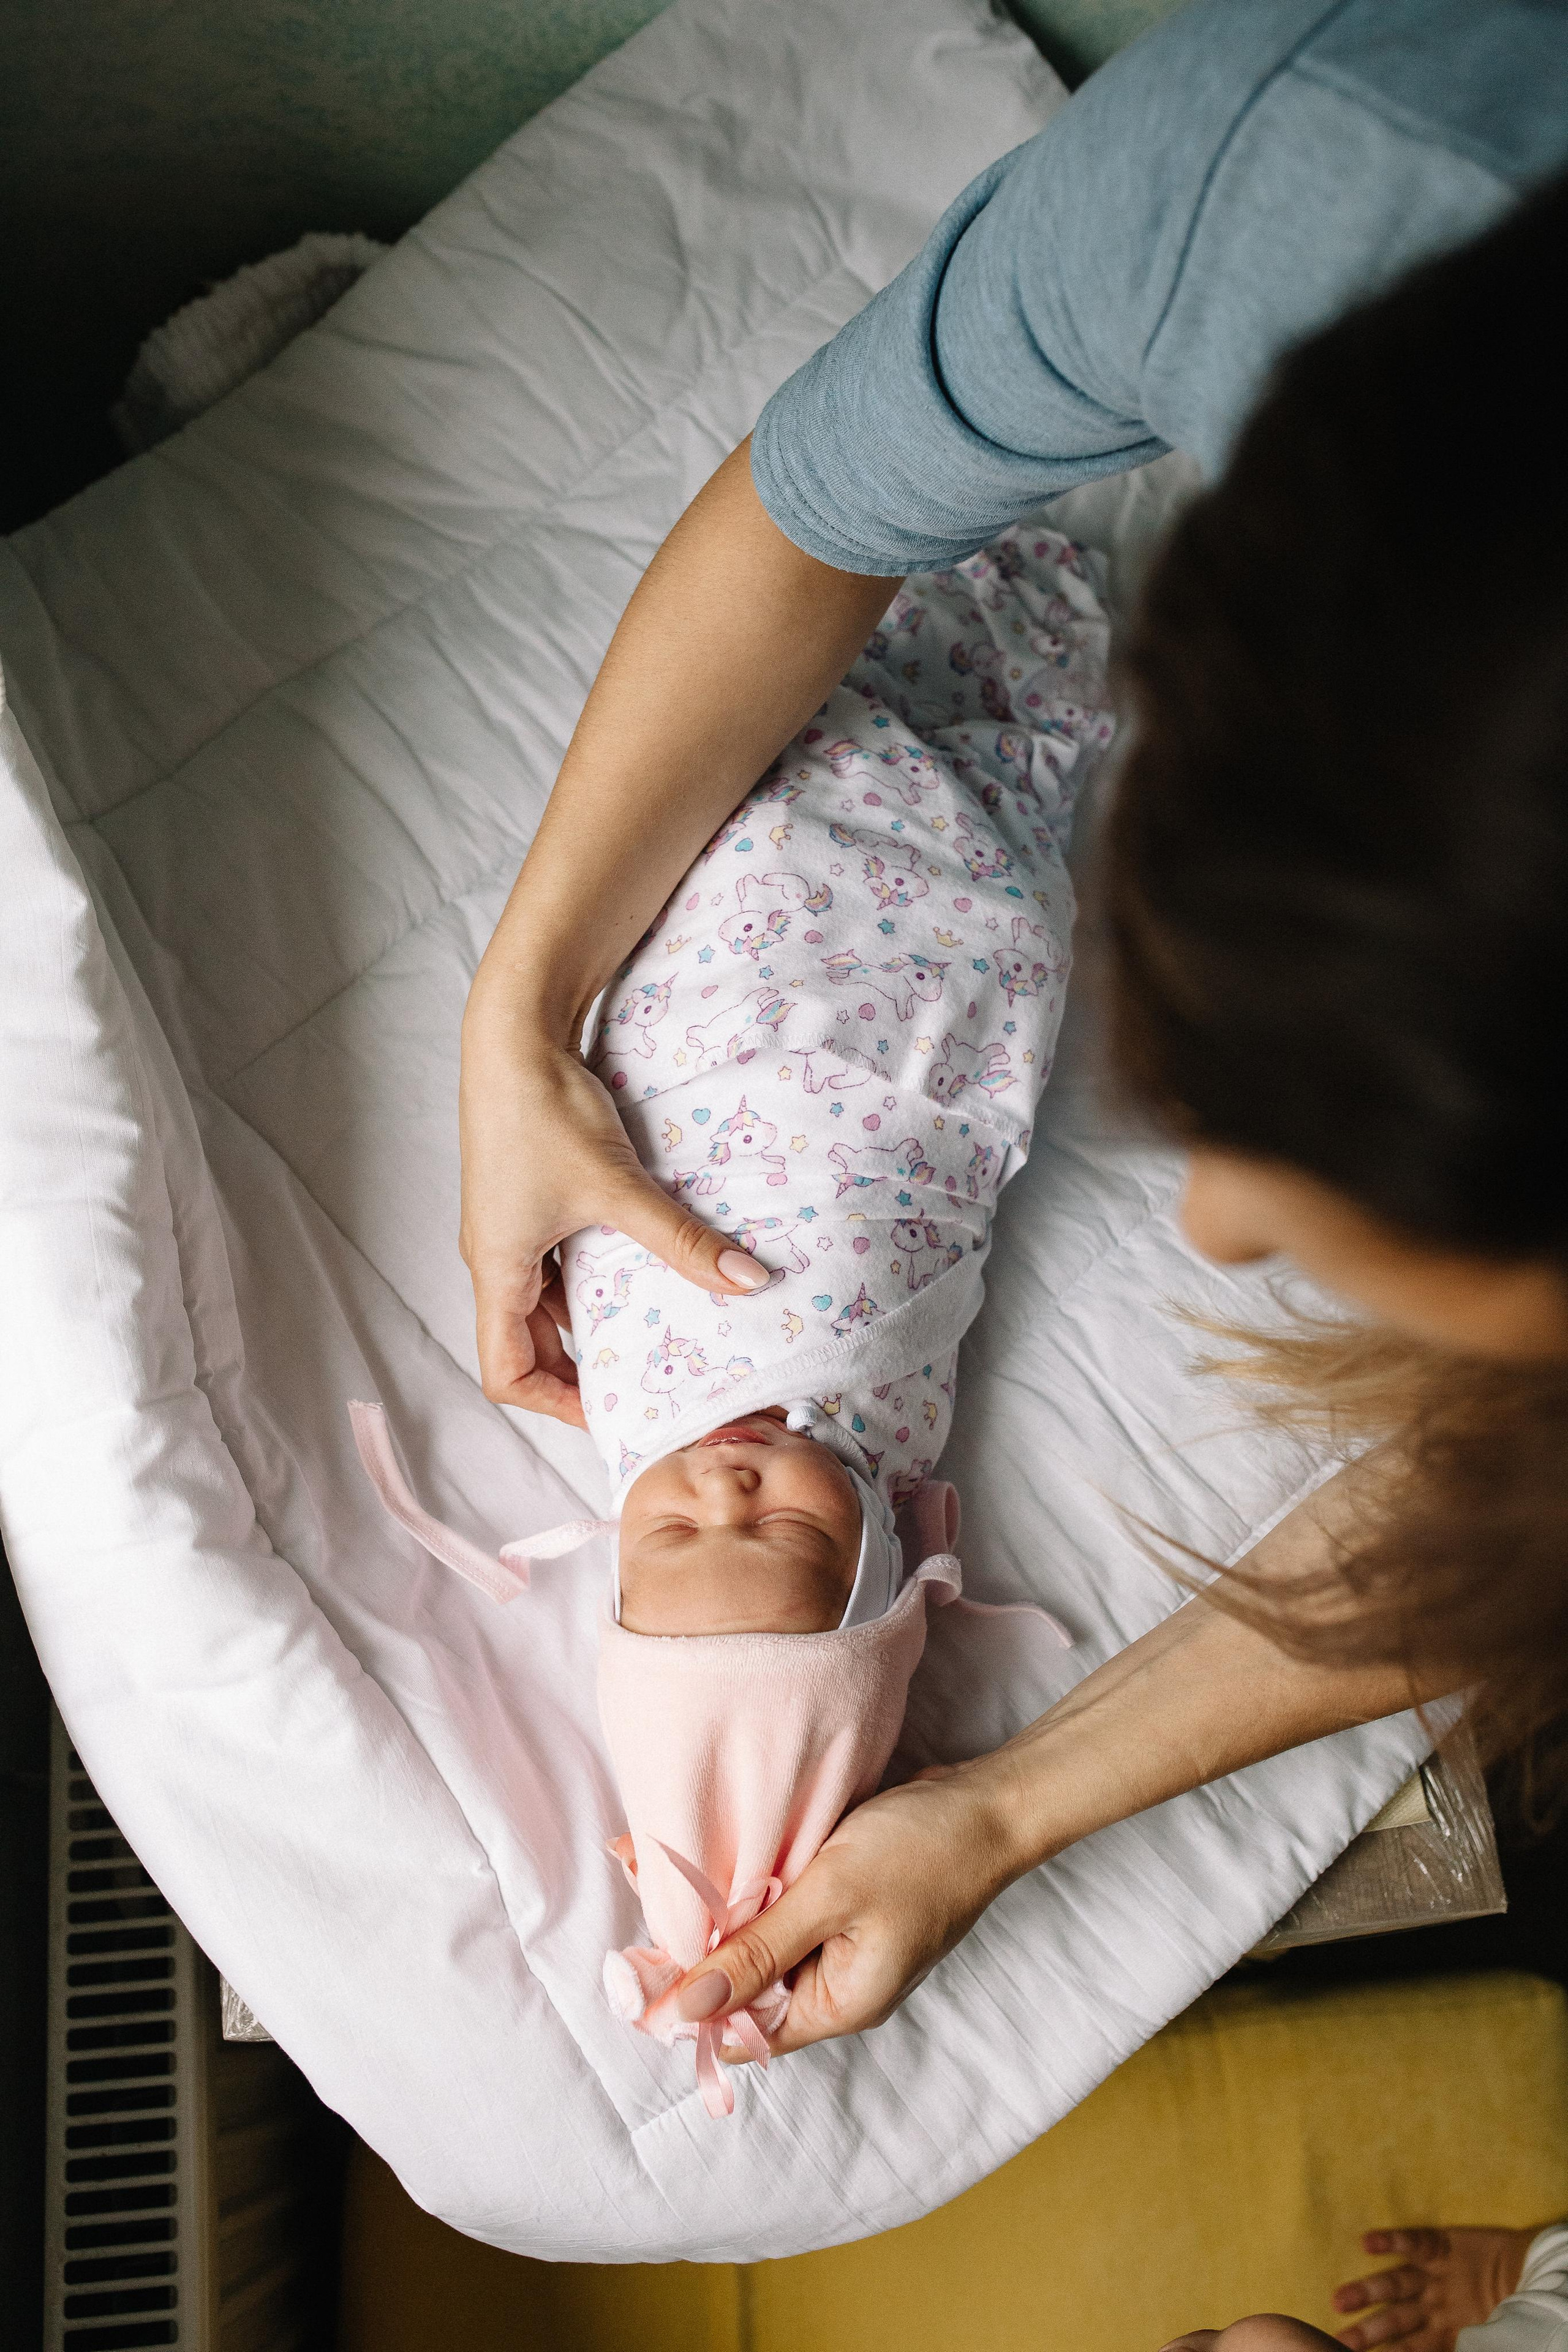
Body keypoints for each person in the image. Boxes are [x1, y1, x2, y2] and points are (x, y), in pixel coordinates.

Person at [456, 0, 1568, 2332]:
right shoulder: (1258, 178)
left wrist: (999, 1800)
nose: (1211, 1234)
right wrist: (523, 1009)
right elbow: (811, 516)